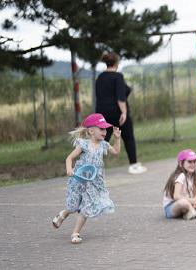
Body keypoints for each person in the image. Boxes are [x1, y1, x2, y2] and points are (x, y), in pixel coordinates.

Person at [51, 113, 120, 244]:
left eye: (105, 129)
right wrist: (69, 169)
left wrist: (117, 139)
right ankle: (63, 214)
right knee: (73, 206)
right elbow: (69, 158)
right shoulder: (83, 145)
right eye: (101, 128)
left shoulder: (104, 145)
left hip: (94, 182)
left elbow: (116, 152)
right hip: (79, 179)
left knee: (87, 207)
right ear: (91, 130)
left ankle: (75, 233)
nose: (105, 131)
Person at [94, 52, 147, 175]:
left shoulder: (100, 78)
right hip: (117, 113)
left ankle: (93, 168)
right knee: (128, 137)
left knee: (101, 140)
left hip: (102, 114)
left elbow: (102, 95)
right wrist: (123, 112)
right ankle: (133, 165)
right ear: (117, 63)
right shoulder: (118, 76)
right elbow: (120, 97)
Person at [162, 149, 196, 220]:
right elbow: (176, 196)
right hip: (172, 207)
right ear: (181, 163)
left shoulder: (194, 176)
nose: (193, 164)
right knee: (183, 203)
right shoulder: (180, 175)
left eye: (194, 162)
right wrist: (192, 201)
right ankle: (193, 211)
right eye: (189, 162)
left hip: (189, 203)